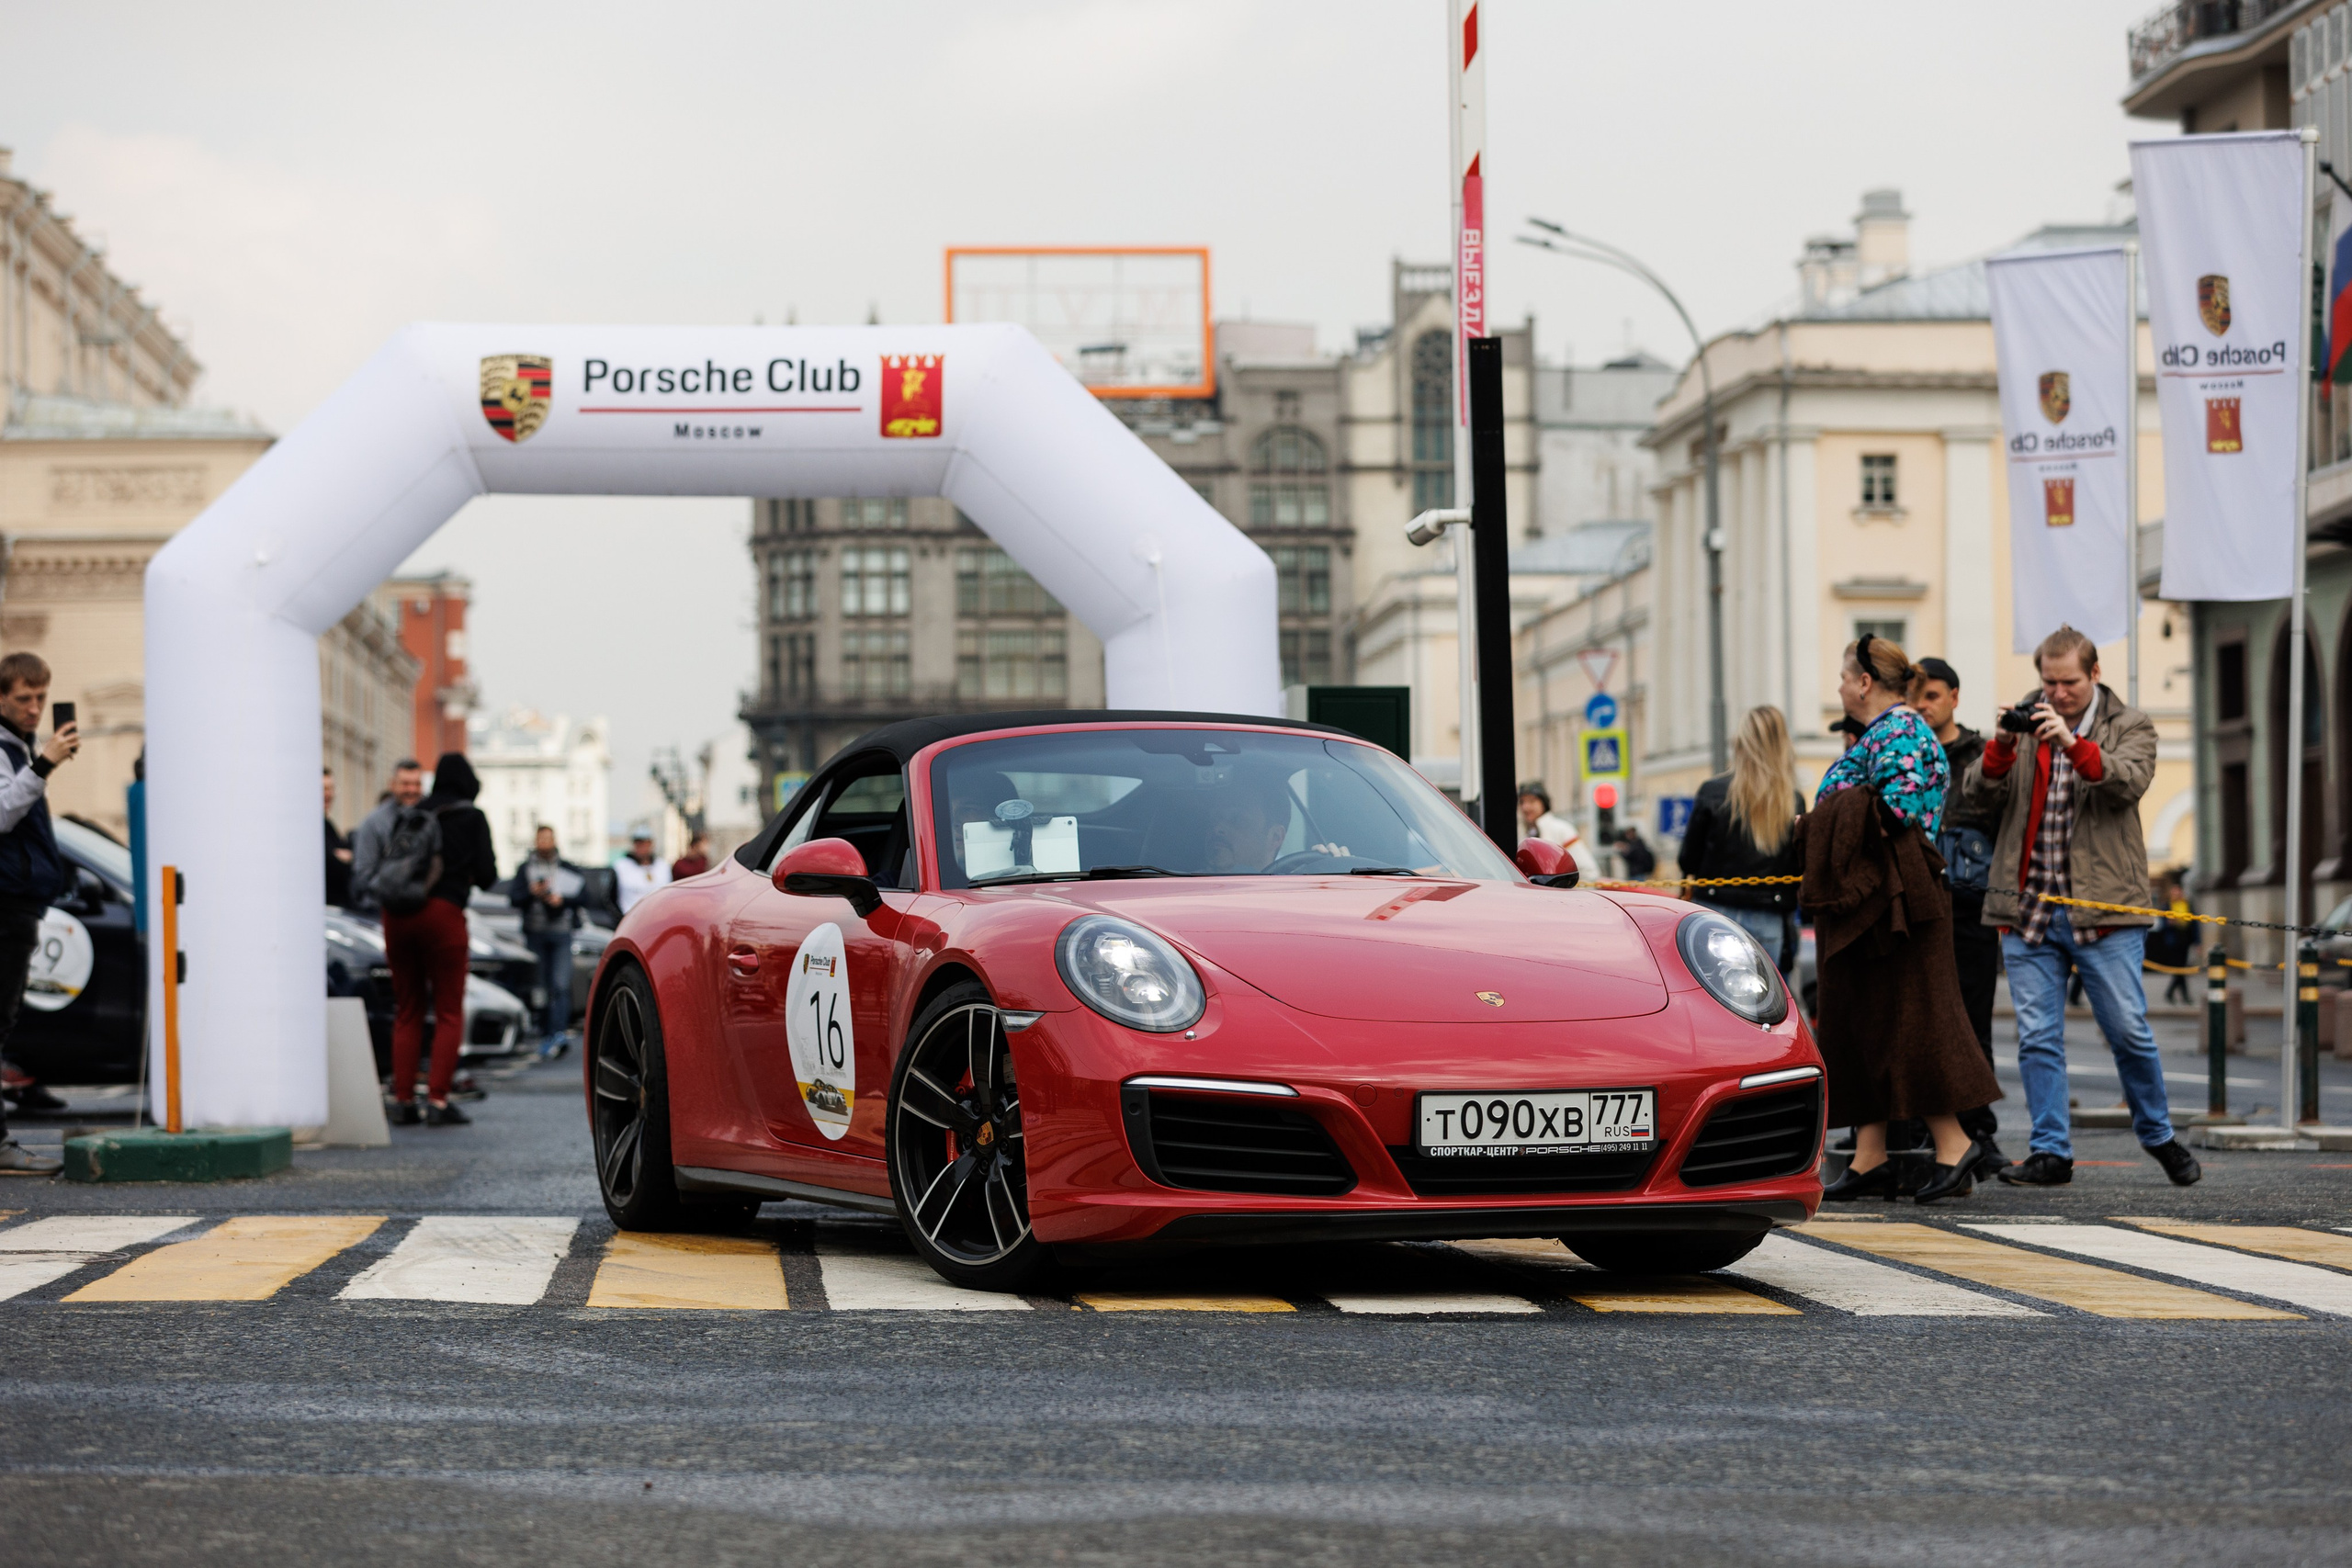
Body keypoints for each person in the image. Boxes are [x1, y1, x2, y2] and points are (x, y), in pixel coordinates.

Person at [1965, 626, 2199, 1188]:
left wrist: (2071, 744)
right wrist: (2000, 745)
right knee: (2038, 1035)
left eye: (2068, 681)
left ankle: (2159, 1134)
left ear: (2094, 675)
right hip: (2029, 911)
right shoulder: (2027, 721)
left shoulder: (2131, 725)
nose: (2057, 692)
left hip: (2105, 909)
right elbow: (1977, 794)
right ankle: (2051, 1152)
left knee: (2128, 1031)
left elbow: (2126, 782)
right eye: (2048, 681)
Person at [1804, 634, 2001, 1205]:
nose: (1840, 687)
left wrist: (1820, 820)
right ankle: (1870, 1158)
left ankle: (1953, 1145)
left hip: (1900, 904)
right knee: (1868, 1024)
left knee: (1913, 1027)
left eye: (1844, 677)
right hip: (1874, 904)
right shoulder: (1884, 734)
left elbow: (1895, 814)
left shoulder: (1902, 731)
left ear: (1865, 683)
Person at [1909, 657, 2008, 1179]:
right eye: (1916, 696)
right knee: (1924, 1019)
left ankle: (1979, 1130)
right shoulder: (1907, 755)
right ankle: (1931, 1128)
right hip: (1920, 903)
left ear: (1954, 697)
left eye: (1932, 696)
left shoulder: (1980, 754)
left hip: (1970, 903)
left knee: (1973, 1019)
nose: (1923, 706)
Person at [376, 752, 497, 1127]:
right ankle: (439, 1101)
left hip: (397, 916)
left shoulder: (414, 812)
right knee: (447, 1011)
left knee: (408, 1009)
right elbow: (488, 875)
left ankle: (404, 1099)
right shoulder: (471, 817)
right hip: (442, 914)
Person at [0, 653, 75, 1175]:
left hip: (18, 903)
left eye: (41, 698)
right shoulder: (11, 749)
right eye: (24, 697)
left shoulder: (17, 747)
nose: (34, 708)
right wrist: (43, 764)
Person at [1677, 706, 1804, 978]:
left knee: (1711, 1002)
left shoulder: (1713, 791)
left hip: (1713, 913)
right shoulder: (1792, 800)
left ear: (1741, 742)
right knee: (1765, 1009)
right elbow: (1797, 867)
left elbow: (1687, 859)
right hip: (1769, 917)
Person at [512, 824, 587, 1060]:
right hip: (535, 933)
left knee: (560, 985)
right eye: (540, 839)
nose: (544, 843)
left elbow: (583, 896)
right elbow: (514, 898)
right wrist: (532, 893)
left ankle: (558, 1033)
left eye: (548, 838)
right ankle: (545, 1033)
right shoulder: (525, 869)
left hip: (561, 931)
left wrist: (561, 900)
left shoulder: (567, 868)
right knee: (541, 987)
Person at [349, 758, 425, 917]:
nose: (412, 790)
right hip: (383, 912)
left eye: (417, 784)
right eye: (405, 784)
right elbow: (364, 872)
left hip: (424, 911)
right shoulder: (374, 823)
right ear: (392, 785)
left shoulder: (430, 817)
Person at [1516, 782, 1593, 874]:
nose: (1525, 807)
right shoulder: (1522, 834)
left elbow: (1588, 871)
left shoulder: (1562, 829)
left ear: (1544, 803)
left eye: (1532, 801)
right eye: (1522, 802)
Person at [2148, 870, 2200, 1006]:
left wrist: (2197, 942)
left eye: (2178, 891)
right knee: (2180, 968)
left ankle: (2171, 993)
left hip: (2185, 939)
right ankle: (2183, 995)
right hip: (2173, 940)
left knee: (2181, 968)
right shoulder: (2167, 906)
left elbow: (2195, 925)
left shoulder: (2187, 905)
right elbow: (2161, 924)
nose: (2176, 893)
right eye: (2174, 891)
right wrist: (2169, 923)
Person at [615, 827, 672, 914]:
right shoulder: (621, 866)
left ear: (652, 844)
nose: (642, 848)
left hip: (658, 916)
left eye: (646, 843)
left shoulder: (663, 866)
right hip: (630, 917)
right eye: (639, 844)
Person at [323, 767, 354, 908]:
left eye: (331, 788)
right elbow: (334, 866)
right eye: (323, 789)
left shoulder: (328, 825)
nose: (328, 794)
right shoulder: (311, 828)